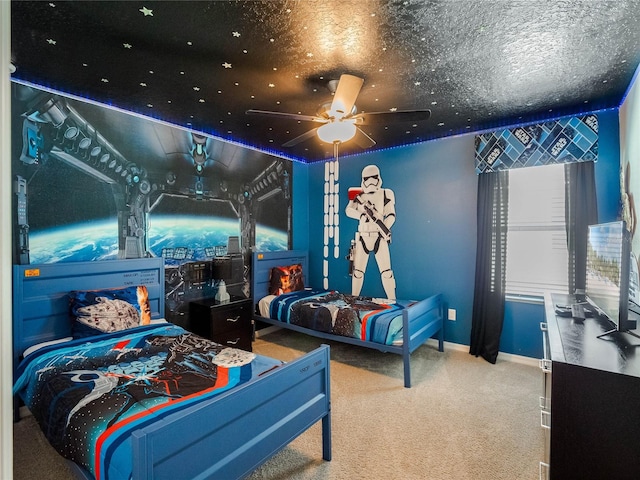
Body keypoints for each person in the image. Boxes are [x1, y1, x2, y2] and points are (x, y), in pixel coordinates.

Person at [345, 164, 396, 300]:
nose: (371, 181)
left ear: (378, 178)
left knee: (386, 273)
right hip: (362, 236)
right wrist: (362, 215)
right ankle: (354, 300)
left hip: (379, 236)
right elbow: (348, 210)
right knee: (358, 273)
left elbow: (391, 214)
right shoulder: (358, 194)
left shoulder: (386, 193)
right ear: (363, 179)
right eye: (368, 178)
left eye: (374, 177)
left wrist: (382, 226)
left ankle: (393, 300)